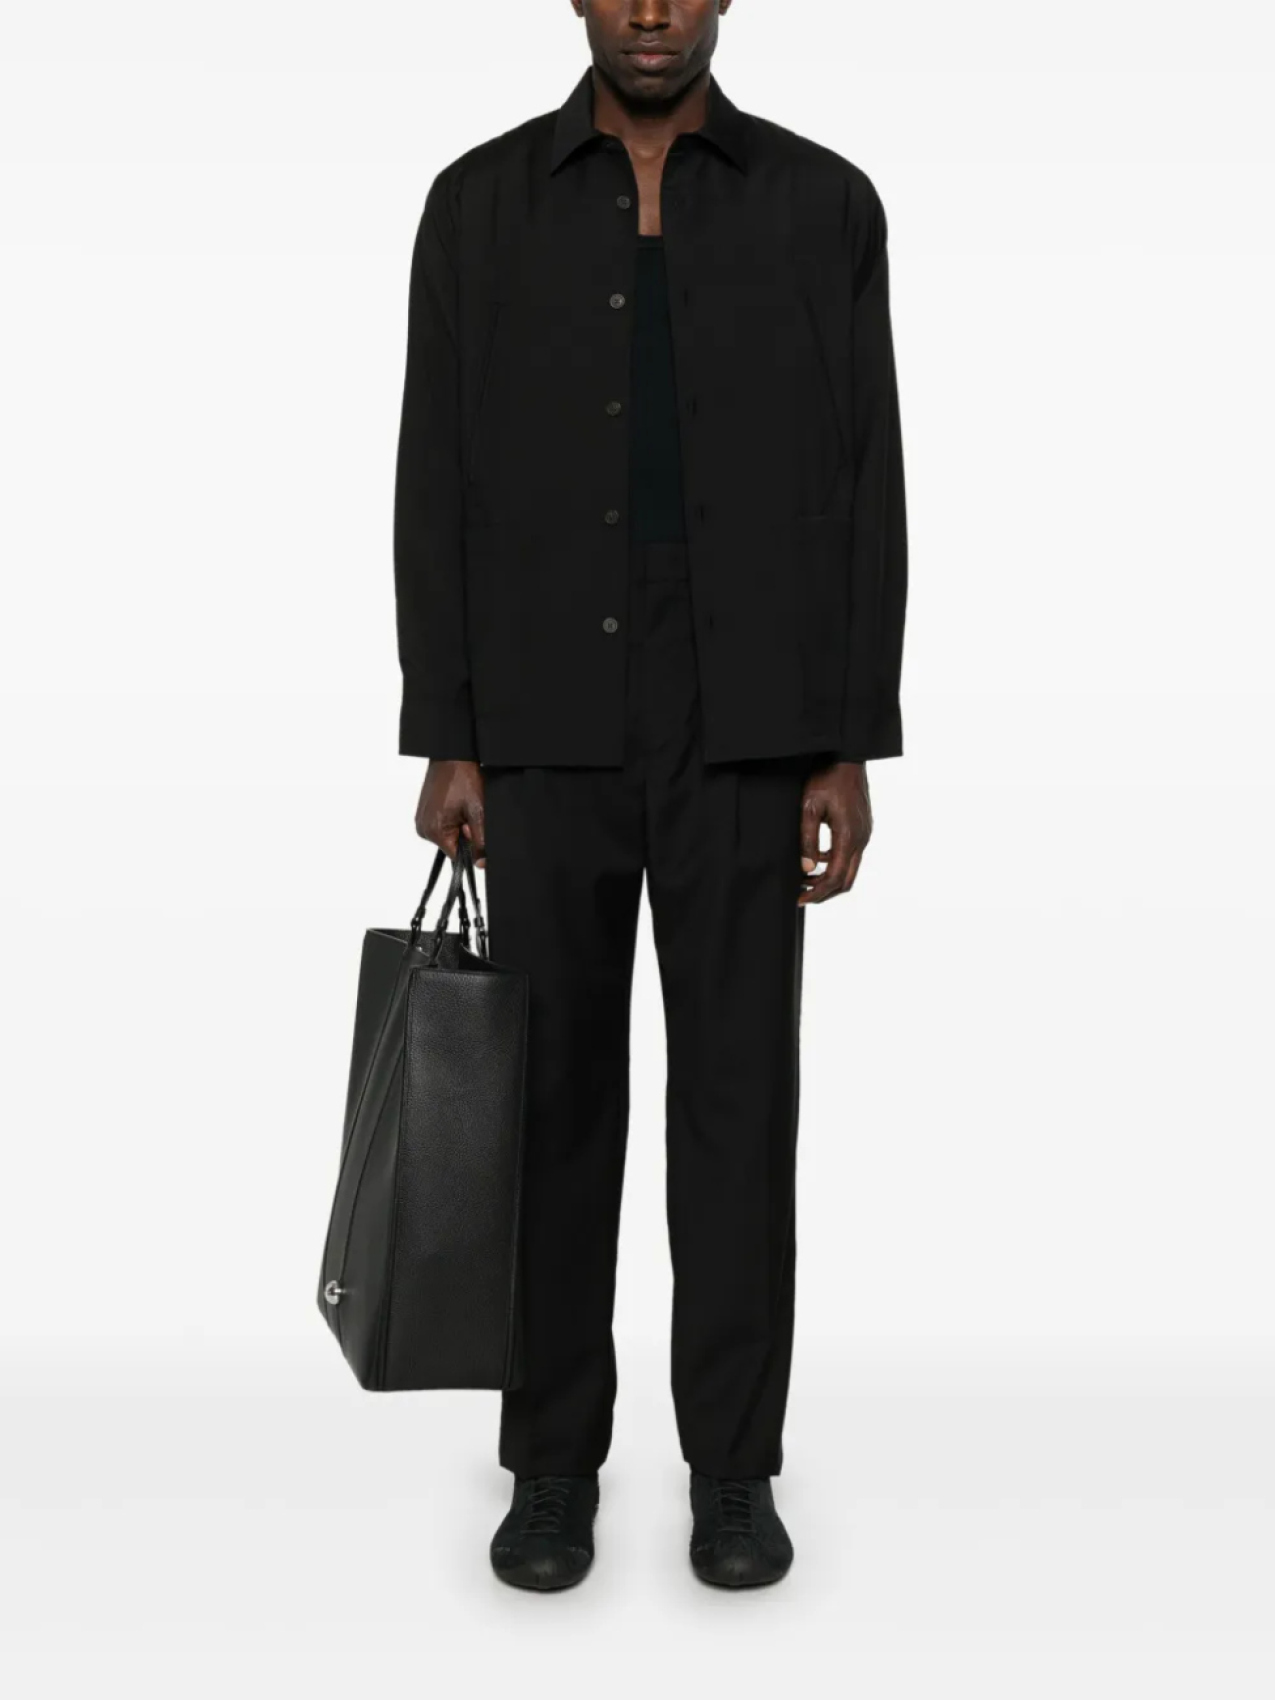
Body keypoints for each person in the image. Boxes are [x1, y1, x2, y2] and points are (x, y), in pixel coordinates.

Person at [394, 0, 906, 1591]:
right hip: (544, 708)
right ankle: (553, 1465)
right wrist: (449, 731)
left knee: (740, 1106)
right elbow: (433, 473)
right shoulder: (478, 206)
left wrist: (847, 736)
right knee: (549, 1101)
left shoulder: (823, 203)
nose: (654, 11)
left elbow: (868, 477)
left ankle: (734, 1473)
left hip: (750, 711)